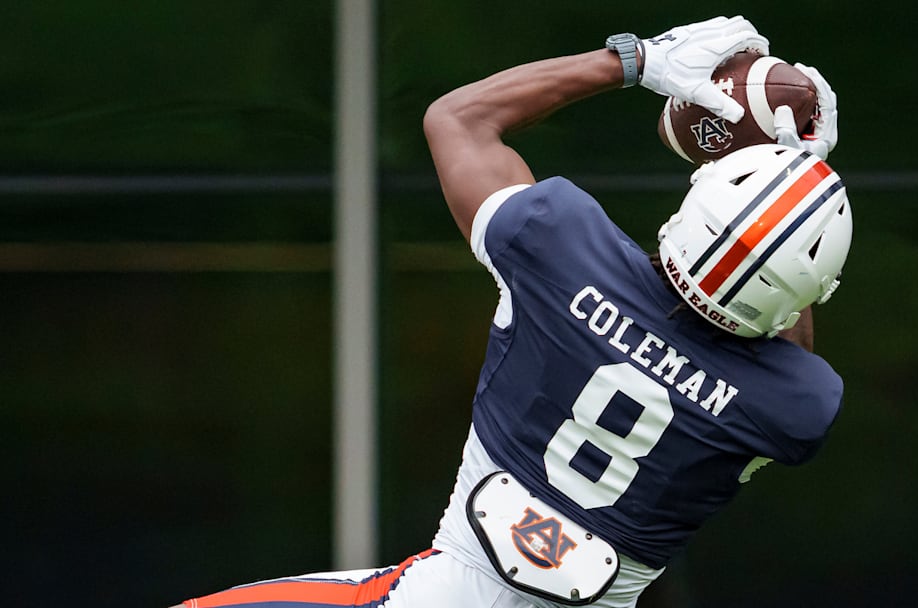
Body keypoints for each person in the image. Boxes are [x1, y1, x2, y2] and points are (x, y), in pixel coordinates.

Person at [172, 14, 848, 608]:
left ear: (691, 212)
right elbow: (780, 344)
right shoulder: (793, 402)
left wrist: (635, 60)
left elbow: (458, 118)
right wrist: (793, 178)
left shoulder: (559, 248)